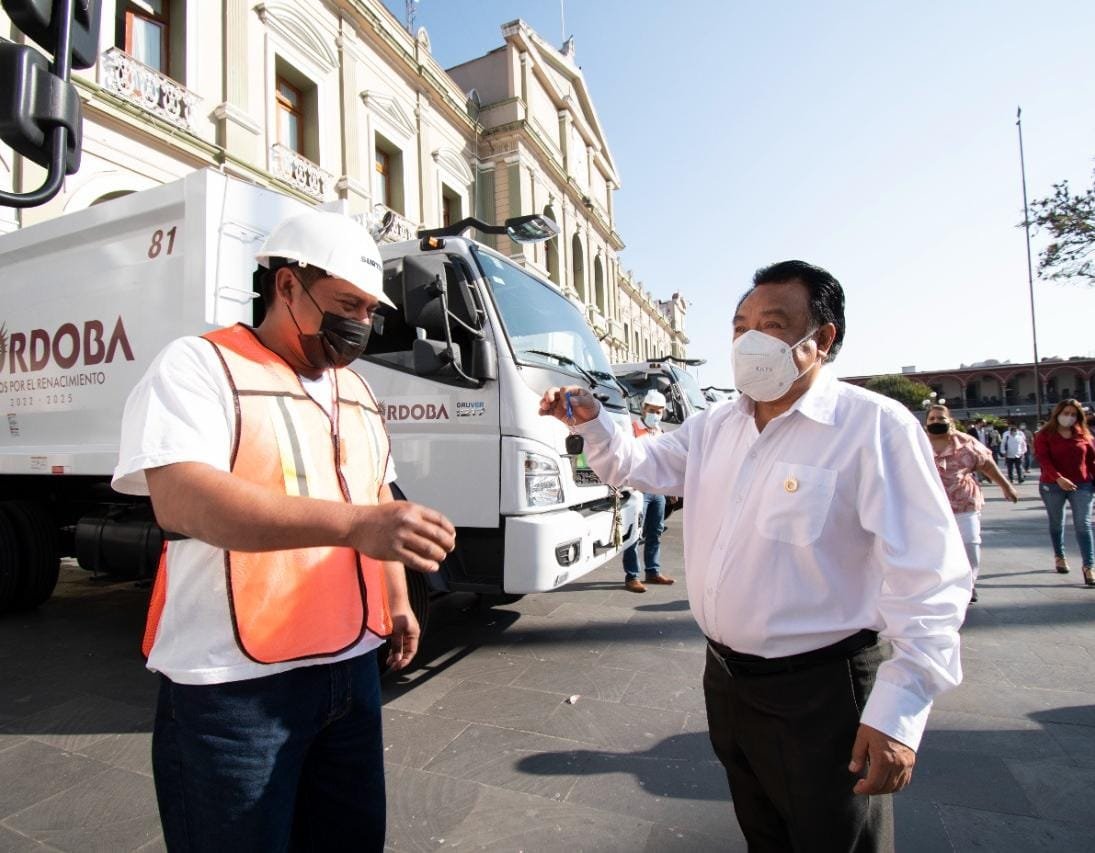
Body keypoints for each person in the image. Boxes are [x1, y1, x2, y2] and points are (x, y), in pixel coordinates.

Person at [540, 260, 970, 852]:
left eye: (771, 325)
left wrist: (899, 711)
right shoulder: (718, 424)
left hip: (824, 694)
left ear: (821, 339)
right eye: (740, 327)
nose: (748, 342)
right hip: (729, 683)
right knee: (764, 834)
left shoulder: (873, 426)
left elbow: (929, 574)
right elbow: (641, 464)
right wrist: (595, 423)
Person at [112, 209, 457, 851]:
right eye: (346, 304)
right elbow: (181, 499)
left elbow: (374, 495)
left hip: (351, 668)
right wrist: (356, 525)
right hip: (235, 688)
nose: (360, 323)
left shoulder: (356, 389)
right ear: (288, 285)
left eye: (369, 310)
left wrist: (397, 602)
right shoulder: (201, 364)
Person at [925, 405, 1018, 601]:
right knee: (936, 548)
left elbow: (987, 465)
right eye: (932, 418)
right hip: (931, 506)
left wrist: (1006, 486)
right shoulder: (917, 442)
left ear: (950, 421)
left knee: (969, 543)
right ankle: (940, 585)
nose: (936, 422)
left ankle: (969, 584)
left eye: (941, 418)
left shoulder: (966, 442)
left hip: (964, 502)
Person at [1032, 398, 1095, 585]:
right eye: (1066, 413)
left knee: (1083, 525)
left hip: (1082, 485)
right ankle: (1059, 556)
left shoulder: (1084, 435)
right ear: (1057, 414)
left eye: (1073, 414)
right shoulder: (1044, 435)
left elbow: (1091, 461)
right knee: (1056, 523)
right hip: (1053, 485)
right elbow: (1043, 460)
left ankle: (1089, 566)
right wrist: (1058, 478)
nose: (1069, 417)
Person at [620, 389, 676, 592]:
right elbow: (626, 457)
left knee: (655, 532)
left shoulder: (660, 432)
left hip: (657, 490)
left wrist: (670, 487)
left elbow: (663, 461)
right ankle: (632, 576)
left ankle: (652, 572)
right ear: (643, 409)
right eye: (652, 410)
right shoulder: (632, 429)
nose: (655, 415)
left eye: (659, 411)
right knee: (634, 533)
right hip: (638, 490)